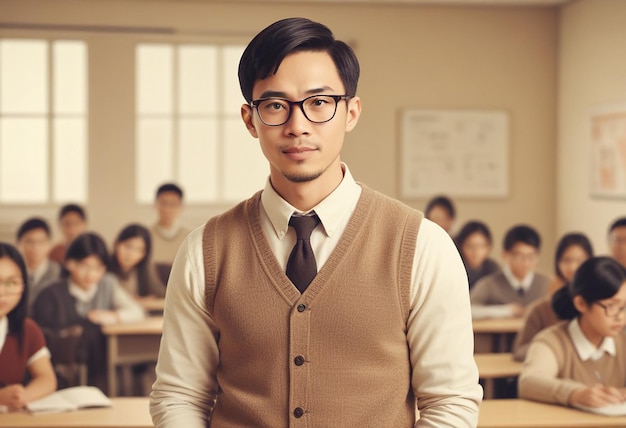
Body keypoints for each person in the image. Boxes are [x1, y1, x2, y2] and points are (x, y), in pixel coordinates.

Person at [150, 17, 481, 427]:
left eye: (319, 103)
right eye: (274, 106)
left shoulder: (422, 246)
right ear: (250, 119)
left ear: (351, 112)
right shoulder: (204, 250)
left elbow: (450, 403)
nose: (298, 125)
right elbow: (180, 395)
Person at [32, 233, 144, 390]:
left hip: (98, 369)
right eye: (85, 266)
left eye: (98, 268)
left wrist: (113, 316)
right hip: (60, 374)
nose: (91, 274)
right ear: (69, 263)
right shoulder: (50, 294)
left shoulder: (107, 284)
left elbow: (137, 311)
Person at [518, 257, 626, 408]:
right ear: (581, 304)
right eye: (611, 306)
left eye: (624, 306)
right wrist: (575, 393)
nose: (620, 316)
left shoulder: (623, 339)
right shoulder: (552, 340)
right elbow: (529, 382)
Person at [512, 232, 593, 361]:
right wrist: (553, 346)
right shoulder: (541, 308)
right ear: (557, 263)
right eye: (567, 260)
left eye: (580, 260)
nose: (573, 267)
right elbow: (520, 351)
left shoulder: (599, 305)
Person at [0, 242, 57, 411]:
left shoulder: (26, 329)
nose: (2, 291)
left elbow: (46, 379)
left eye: (11, 283)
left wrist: (23, 396)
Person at [470, 224, 550, 320]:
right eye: (518, 256)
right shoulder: (489, 284)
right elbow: (469, 310)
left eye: (531, 256)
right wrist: (505, 311)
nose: (525, 262)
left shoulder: (547, 284)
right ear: (505, 254)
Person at [109, 224, 166, 302]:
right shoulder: (104, 268)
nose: (131, 254)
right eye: (128, 246)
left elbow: (163, 294)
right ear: (117, 244)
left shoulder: (146, 268)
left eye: (139, 250)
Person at [15, 218, 62, 309]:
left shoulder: (61, 273)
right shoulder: (14, 273)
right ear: (19, 244)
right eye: (29, 242)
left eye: (41, 242)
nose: (35, 247)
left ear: (49, 244)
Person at [150, 183, 190, 268]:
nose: (167, 209)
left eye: (173, 204)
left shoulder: (188, 237)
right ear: (156, 204)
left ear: (181, 207)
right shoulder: (146, 235)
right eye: (164, 203)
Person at [454, 220, 500, 289]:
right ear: (461, 246)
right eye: (470, 246)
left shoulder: (493, 269)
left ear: (489, 247)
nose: (476, 252)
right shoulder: (455, 267)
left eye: (481, 246)